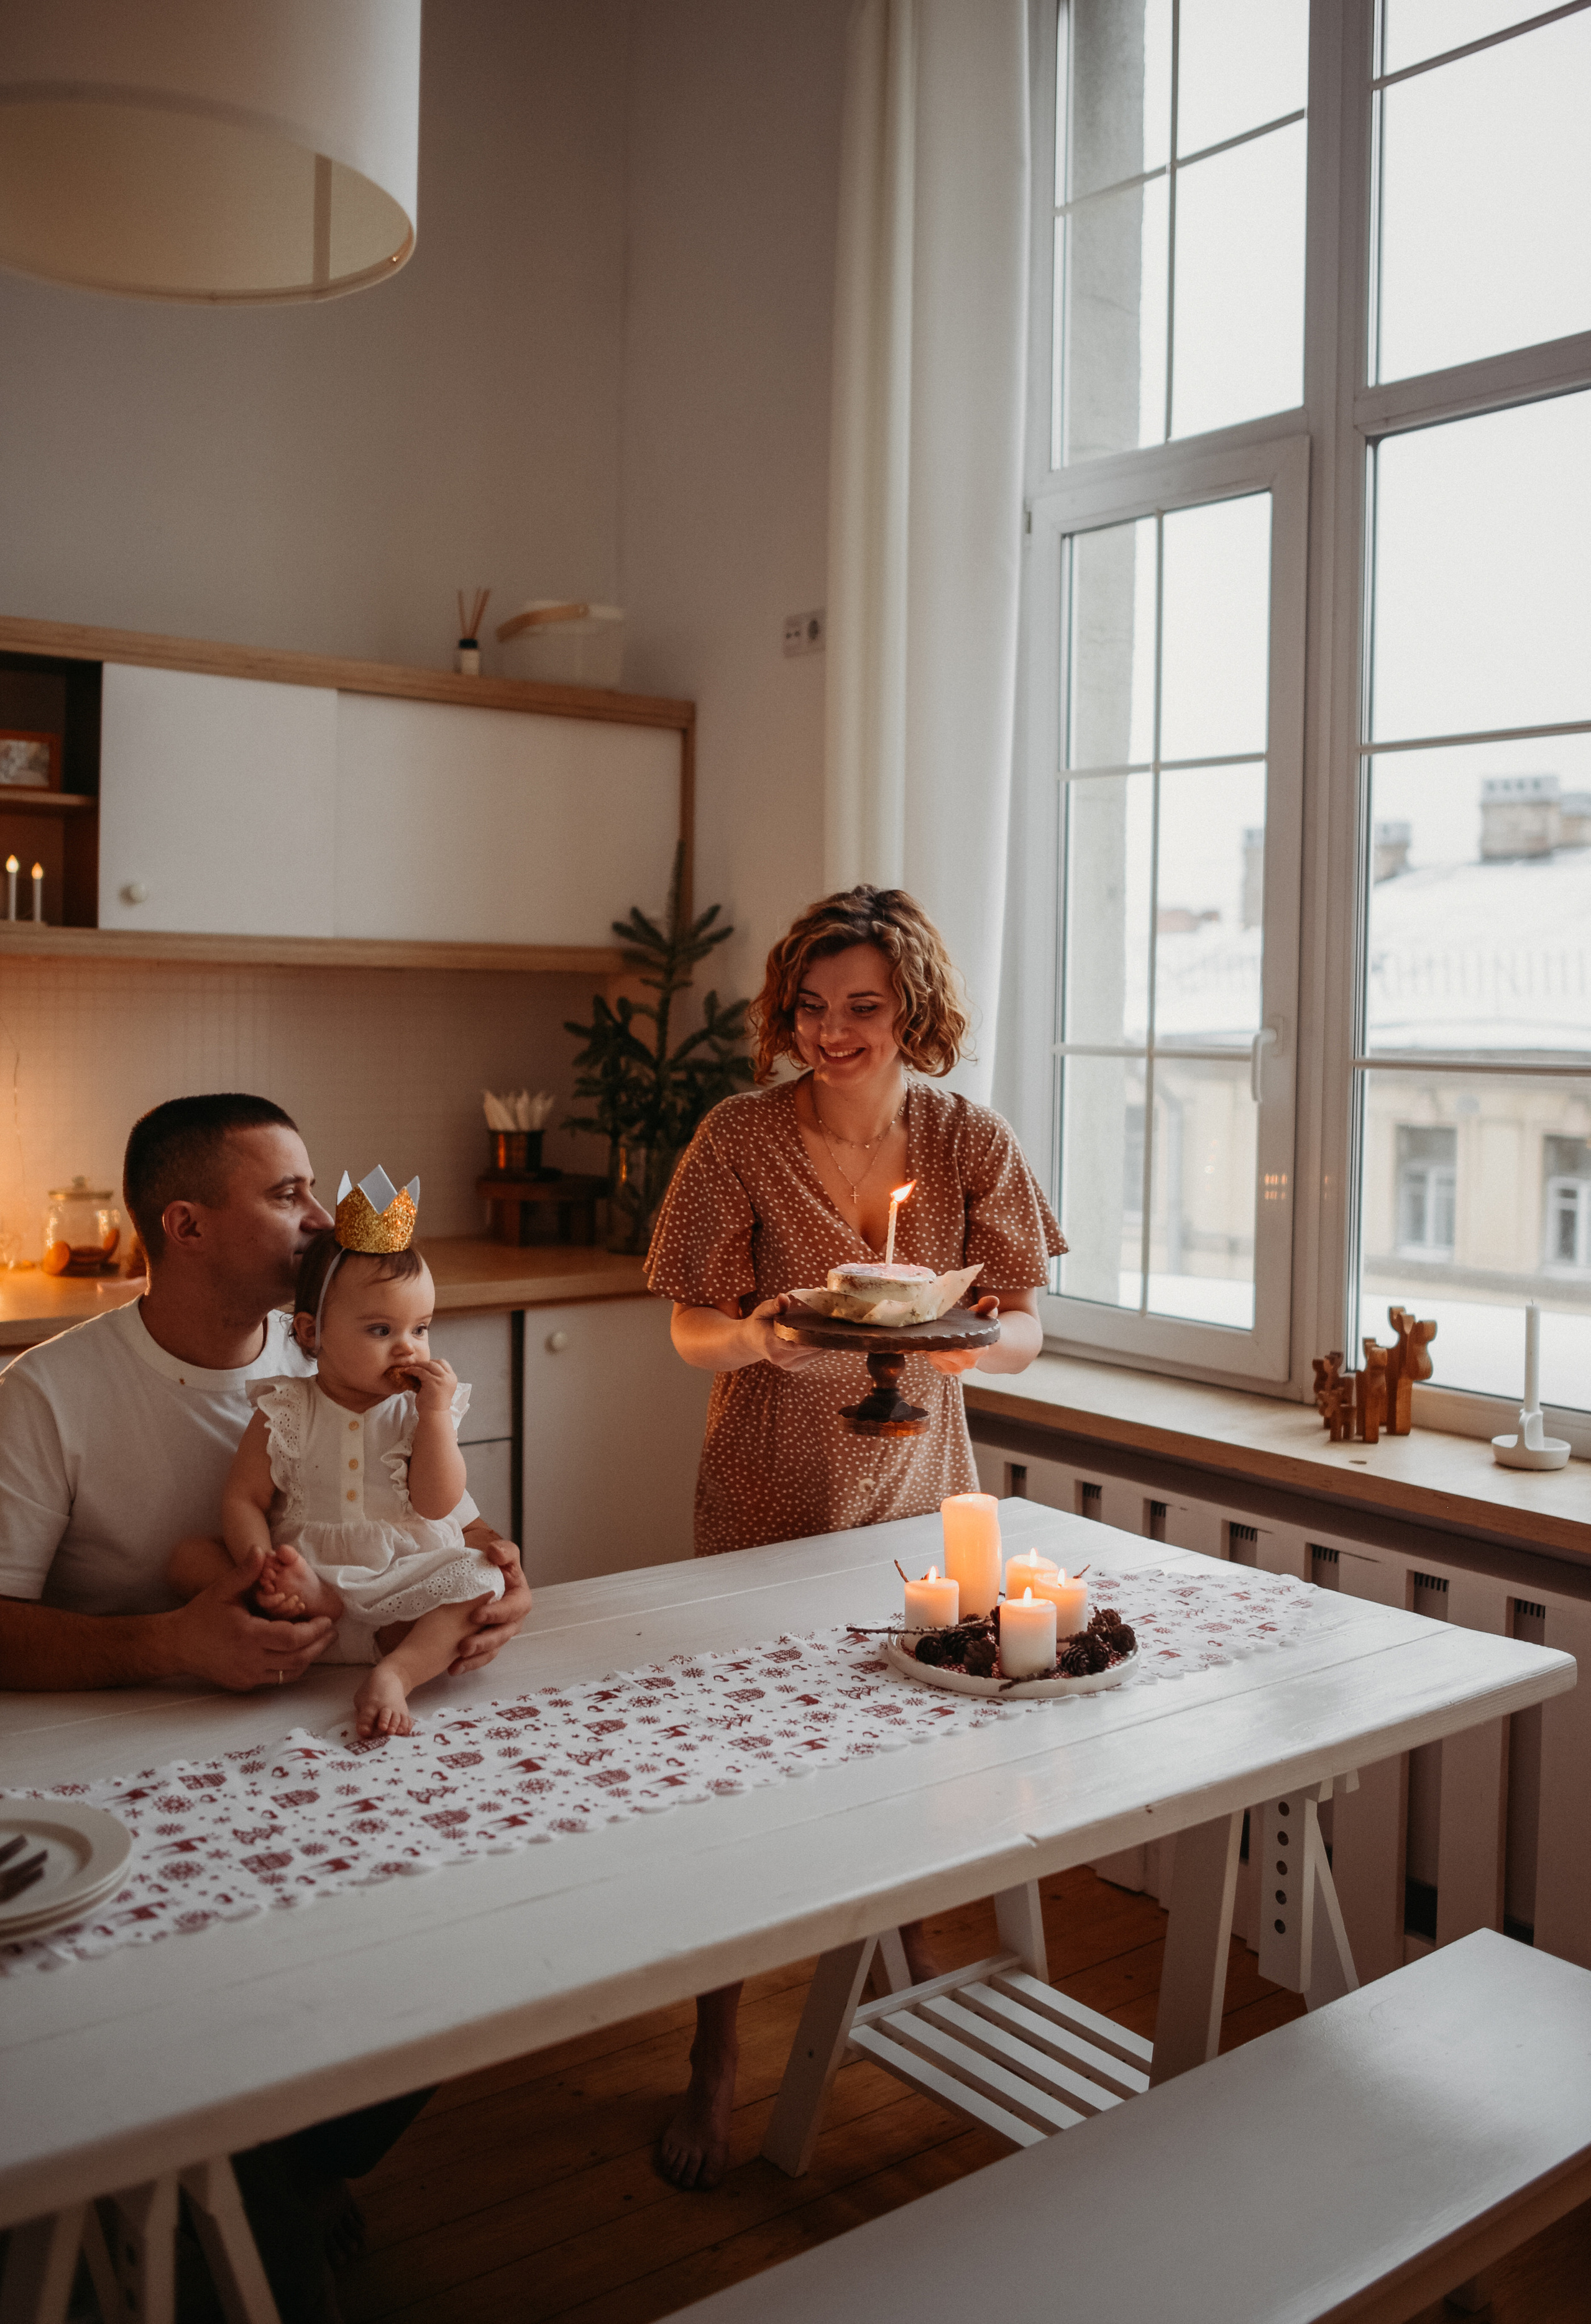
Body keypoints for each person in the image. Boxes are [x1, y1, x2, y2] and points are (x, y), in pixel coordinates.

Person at [0, 1094, 532, 2320]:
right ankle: (241, 2182)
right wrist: (170, 1642)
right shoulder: (48, 1395)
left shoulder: (342, 1346)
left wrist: (497, 1575)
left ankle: (295, 2152)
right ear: (186, 1224)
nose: (324, 1214)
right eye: (289, 1193)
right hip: (123, 1768)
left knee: (464, 1940)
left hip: (322, 1736)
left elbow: (431, 1515)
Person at [644, 885, 1063, 2188]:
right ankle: (716, 2044)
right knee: (738, 1774)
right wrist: (754, 1336)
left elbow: (1025, 1321)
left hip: (917, 1484)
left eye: (863, 1007)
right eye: (813, 1007)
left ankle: (908, 1953)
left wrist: (966, 1343)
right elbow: (689, 1325)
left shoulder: (968, 1140)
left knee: (910, 1745)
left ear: (911, 1010)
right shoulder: (737, 1135)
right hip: (765, 1485)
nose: (833, 1032)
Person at [170, 1186, 507, 1741]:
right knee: (187, 1560)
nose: (408, 1349)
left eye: (421, 1328)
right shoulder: (286, 1408)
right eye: (381, 1330)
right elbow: (244, 1498)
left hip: (399, 1588)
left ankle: (396, 1673)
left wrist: (436, 1418)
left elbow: (437, 1503)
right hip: (307, 1581)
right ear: (312, 1333)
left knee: (481, 1578)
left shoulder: (420, 1413)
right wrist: (262, 1565)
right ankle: (318, 1614)